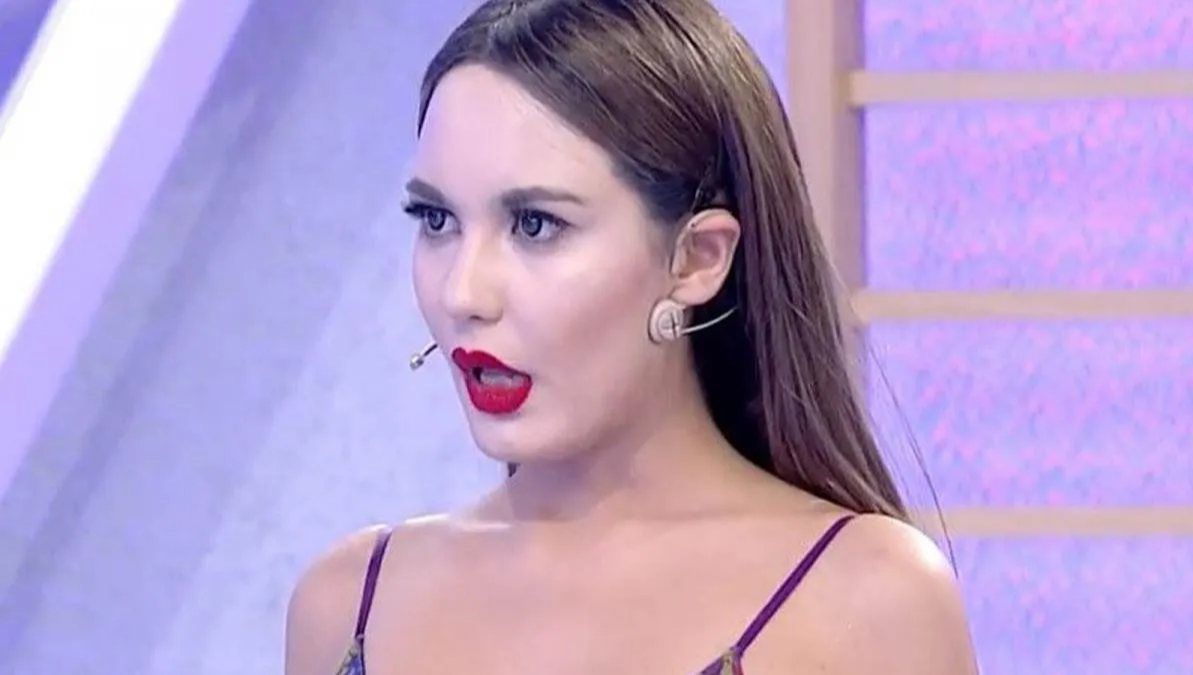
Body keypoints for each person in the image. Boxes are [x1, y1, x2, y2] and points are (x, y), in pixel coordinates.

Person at [285, 1, 978, 673]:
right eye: (437, 220)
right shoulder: (348, 604)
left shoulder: (866, 599)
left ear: (697, 258)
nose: (463, 293)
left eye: (535, 225)